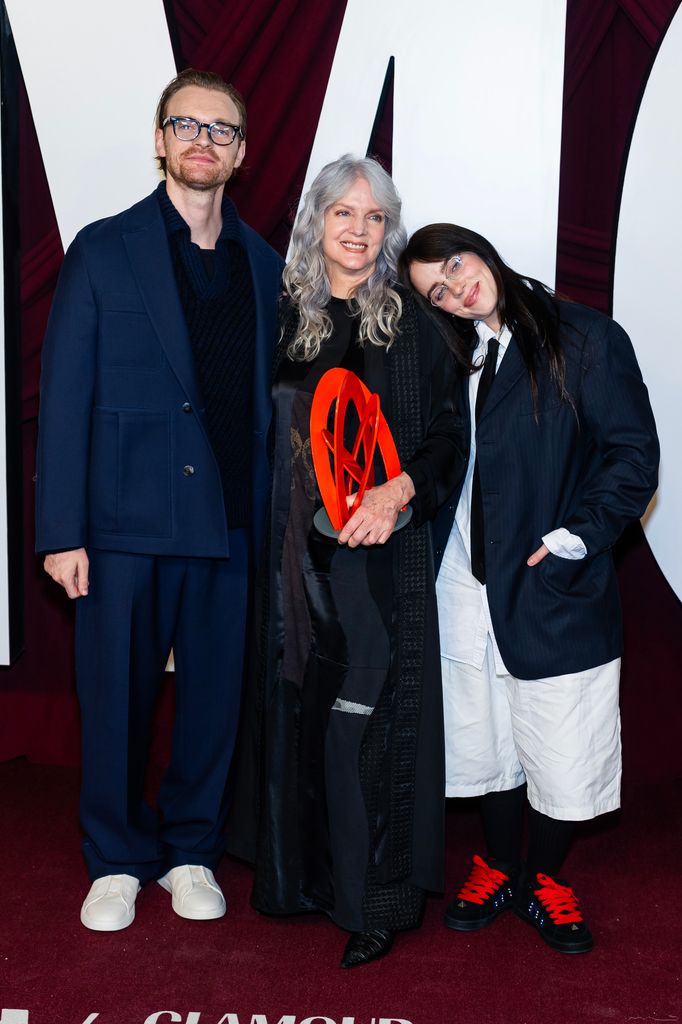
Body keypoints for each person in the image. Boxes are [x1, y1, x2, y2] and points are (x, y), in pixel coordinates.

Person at [35, 69, 283, 931]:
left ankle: (190, 853)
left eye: (220, 130)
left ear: (241, 153)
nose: (201, 140)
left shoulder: (264, 264)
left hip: (231, 525)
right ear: (159, 139)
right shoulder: (103, 250)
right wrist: (60, 531)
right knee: (115, 699)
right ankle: (113, 860)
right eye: (186, 124)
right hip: (121, 527)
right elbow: (63, 398)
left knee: (215, 703)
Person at [227, 157, 465, 968]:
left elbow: (446, 440)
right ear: (316, 223)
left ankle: (377, 902)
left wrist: (396, 491)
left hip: (377, 560)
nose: (359, 231)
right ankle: (299, 881)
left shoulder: (411, 325)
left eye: (374, 217)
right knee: (300, 710)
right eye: (344, 215)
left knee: (370, 726)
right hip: (291, 558)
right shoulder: (281, 313)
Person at [398, 223, 659, 954]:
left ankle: (543, 874)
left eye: (455, 265)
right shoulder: (457, 358)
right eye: (438, 291)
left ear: (482, 250)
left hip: (550, 583)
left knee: (562, 744)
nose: (456, 287)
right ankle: (499, 866)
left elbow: (634, 454)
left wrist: (576, 536)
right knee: (488, 744)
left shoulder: (583, 338)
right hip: (463, 584)